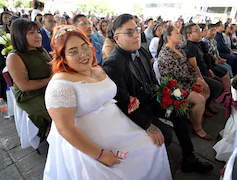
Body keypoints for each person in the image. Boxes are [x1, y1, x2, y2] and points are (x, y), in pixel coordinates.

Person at [43, 25, 172, 180]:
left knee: (153, 145)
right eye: (73, 51)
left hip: (119, 126)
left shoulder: (96, 68)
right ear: (62, 56)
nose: (83, 55)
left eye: (85, 47)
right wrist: (100, 155)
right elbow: (65, 128)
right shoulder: (60, 85)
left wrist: (130, 100)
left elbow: (105, 94)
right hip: (89, 143)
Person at [104, 13, 213, 173]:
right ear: (116, 38)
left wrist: (168, 95)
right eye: (129, 32)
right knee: (165, 134)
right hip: (135, 111)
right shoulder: (113, 64)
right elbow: (122, 103)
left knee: (179, 110)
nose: (136, 35)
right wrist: (148, 125)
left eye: (136, 30)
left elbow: (153, 81)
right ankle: (155, 167)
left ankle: (189, 157)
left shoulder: (142, 51)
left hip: (152, 99)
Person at [157, 25, 212, 140]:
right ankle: (197, 128)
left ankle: (194, 115)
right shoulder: (166, 54)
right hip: (174, 87)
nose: (181, 35)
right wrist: (196, 80)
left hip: (185, 81)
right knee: (200, 99)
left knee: (206, 89)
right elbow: (178, 74)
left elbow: (188, 67)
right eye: (177, 33)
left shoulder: (178, 48)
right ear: (169, 38)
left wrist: (198, 78)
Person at [6, 18, 52, 139]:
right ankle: (51, 134)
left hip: (48, 87)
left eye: (38, 32)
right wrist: (50, 80)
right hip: (29, 95)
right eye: (31, 33)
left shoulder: (40, 50)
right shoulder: (14, 56)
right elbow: (24, 86)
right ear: (20, 35)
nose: (38, 36)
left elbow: (51, 67)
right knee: (56, 108)